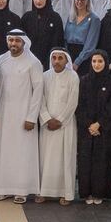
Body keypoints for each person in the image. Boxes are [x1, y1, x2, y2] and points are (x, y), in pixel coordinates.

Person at [0, 29, 44, 204]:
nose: (13, 44)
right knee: (4, 152)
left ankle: (22, 190)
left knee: (23, 153)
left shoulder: (33, 62)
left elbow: (38, 92)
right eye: (10, 40)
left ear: (24, 42)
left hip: (24, 116)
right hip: (3, 115)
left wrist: (31, 117)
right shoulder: (0, 61)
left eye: (17, 41)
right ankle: (3, 188)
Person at [36, 48, 79, 206]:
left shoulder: (73, 76)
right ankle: (44, 192)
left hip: (64, 125)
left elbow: (73, 102)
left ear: (66, 60)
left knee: (65, 158)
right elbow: (40, 99)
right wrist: (47, 119)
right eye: (54, 57)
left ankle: (65, 193)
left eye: (60, 58)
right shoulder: (45, 76)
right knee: (45, 159)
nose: (57, 61)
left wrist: (60, 120)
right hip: (47, 125)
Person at [76, 50, 111, 204]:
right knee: (86, 160)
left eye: (100, 61)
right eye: (94, 61)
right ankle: (87, 193)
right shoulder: (84, 81)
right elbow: (80, 106)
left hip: (103, 130)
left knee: (102, 161)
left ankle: (100, 193)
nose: (97, 64)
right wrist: (89, 125)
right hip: (86, 130)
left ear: (105, 63)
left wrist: (99, 124)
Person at [21, 0, 65, 70]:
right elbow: (23, 42)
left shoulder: (55, 17)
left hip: (49, 62)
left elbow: (58, 42)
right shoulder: (27, 17)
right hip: (28, 62)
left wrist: (49, 63)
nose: (38, 1)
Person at [64, 0, 101, 75]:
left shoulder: (94, 19)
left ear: (88, 0)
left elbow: (90, 45)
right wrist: (66, 57)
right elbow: (65, 38)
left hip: (84, 57)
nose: (79, 1)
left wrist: (77, 62)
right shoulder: (70, 17)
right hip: (69, 55)